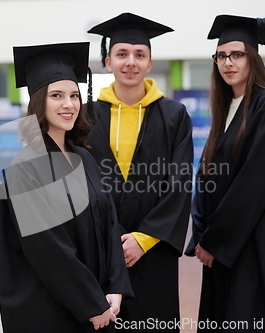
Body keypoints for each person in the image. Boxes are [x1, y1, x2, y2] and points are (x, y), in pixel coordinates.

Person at [0, 42, 134, 333]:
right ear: (37, 102)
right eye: (56, 95)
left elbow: (109, 224)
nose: (68, 104)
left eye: (74, 95)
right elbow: (49, 251)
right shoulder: (25, 169)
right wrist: (92, 305)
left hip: (97, 302)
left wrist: (115, 287)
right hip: (51, 308)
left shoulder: (84, 157)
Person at [185, 14, 265, 331]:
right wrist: (202, 233)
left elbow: (251, 186)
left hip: (250, 246)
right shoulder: (228, 109)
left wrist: (213, 241)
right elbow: (208, 178)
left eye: (237, 54)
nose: (228, 62)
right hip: (225, 248)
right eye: (221, 55)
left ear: (253, 58)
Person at [87, 13, 193, 332]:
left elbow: (180, 183)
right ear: (108, 61)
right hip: (102, 249)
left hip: (153, 252)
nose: (130, 62)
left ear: (150, 62)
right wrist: (111, 240)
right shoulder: (86, 116)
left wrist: (143, 239)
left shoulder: (174, 115)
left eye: (139, 54)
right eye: (122, 54)